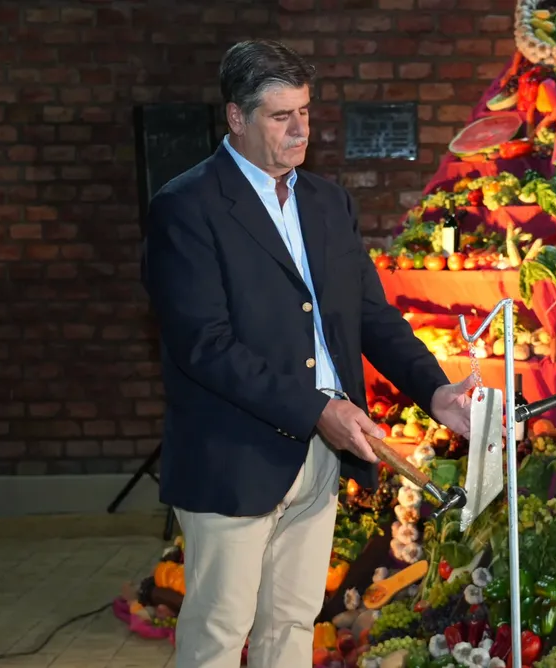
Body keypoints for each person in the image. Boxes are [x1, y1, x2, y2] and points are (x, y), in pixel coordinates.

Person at [141, 39, 474, 668]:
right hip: (232, 456)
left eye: (306, 112)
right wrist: (317, 409)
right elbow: (203, 346)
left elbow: (369, 314)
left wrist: (434, 390)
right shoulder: (186, 207)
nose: (300, 131)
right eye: (279, 116)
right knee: (219, 632)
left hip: (318, 457)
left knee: (293, 626)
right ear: (235, 118)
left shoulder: (328, 201)